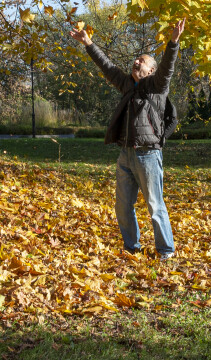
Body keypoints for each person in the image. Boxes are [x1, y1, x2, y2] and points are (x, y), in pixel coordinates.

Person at [70, 19, 185, 259]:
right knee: (122, 207)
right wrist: (88, 43)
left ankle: (166, 251)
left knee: (155, 206)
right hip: (126, 154)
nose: (136, 62)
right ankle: (132, 248)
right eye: (135, 60)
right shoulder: (128, 86)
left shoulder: (156, 86)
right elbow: (108, 67)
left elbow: (168, 68)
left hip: (149, 155)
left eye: (141, 61)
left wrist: (173, 42)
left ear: (151, 70)